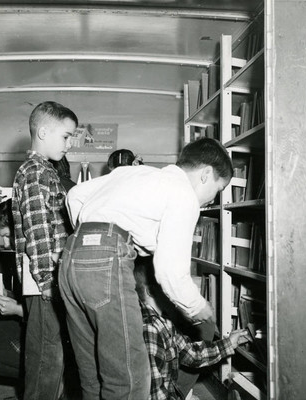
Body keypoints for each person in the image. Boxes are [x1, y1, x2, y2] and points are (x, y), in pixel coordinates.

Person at [58, 137, 233, 399]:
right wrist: (198, 307)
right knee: (129, 378)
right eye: (217, 190)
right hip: (107, 261)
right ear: (206, 174)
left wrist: (88, 238)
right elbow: (170, 271)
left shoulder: (135, 173)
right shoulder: (183, 193)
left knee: (92, 376)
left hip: (71, 258)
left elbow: (75, 195)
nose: (211, 200)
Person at [11, 101, 78, 400]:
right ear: (42, 132)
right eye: (65, 136)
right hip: (43, 284)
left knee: (52, 359)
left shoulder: (45, 171)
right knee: (45, 362)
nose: (69, 143)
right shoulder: (36, 171)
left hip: (46, 280)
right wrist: (48, 283)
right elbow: (38, 233)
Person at [134, 260, 250, 400]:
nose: (172, 293)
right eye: (167, 287)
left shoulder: (163, 322)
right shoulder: (150, 329)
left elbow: (192, 354)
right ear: (151, 291)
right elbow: (155, 395)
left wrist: (230, 343)